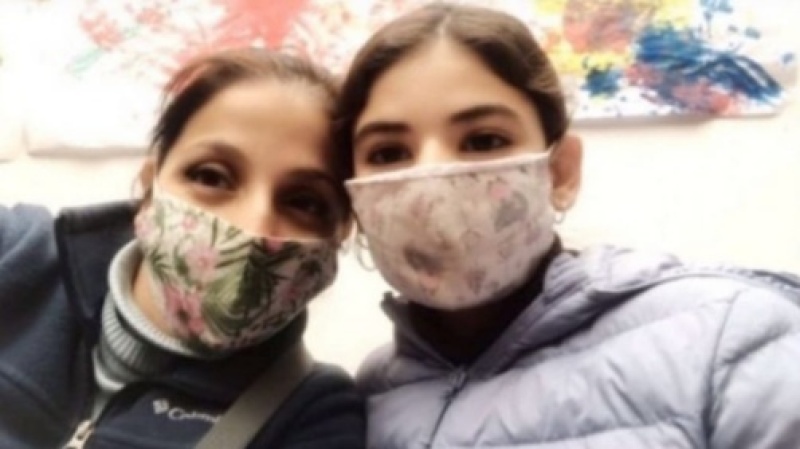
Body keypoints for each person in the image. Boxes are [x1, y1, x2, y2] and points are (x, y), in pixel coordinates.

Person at [335, 3, 800, 448]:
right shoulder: (372, 390)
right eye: (388, 153)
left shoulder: (730, 338)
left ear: (560, 173)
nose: (432, 180)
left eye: (484, 141)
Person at [0, 48, 365, 448]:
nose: (252, 226)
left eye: (304, 202)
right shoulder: (14, 252)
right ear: (150, 185)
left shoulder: (314, 416)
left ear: (340, 234)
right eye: (211, 176)